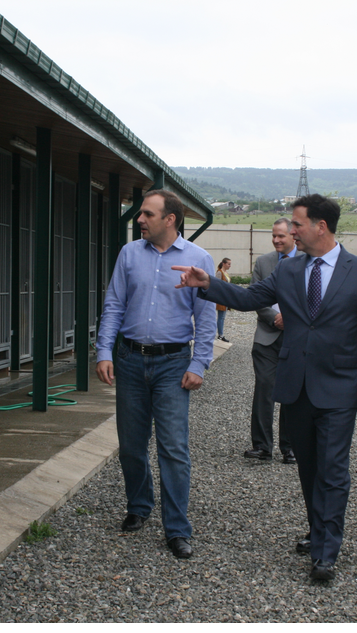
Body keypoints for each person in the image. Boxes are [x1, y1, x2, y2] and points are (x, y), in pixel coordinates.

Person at [173, 194, 357, 582]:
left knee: (333, 469)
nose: (292, 231)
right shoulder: (289, 270)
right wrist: (208, 284)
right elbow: (249, 298)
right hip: (296, 386)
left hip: (340, 387)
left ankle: (325, 553)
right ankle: (318, 529)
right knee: (309, 467)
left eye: (297, 224)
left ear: (320, 227)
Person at [95, 189, 216, 560]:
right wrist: (104, 351)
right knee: (131, 446)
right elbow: (114, 305)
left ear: (170, 219)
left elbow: (206, 317)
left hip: (173, 365)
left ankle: (177, 528)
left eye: (147, 214)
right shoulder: (129, 254)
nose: (140, 219)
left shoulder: (199, 259)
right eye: (140, 214)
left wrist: (199, 363)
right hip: (130, 360)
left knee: (173, 448)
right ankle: (139, 504)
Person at [244, 218, 297, 464]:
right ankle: (262, 446)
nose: (276, 240)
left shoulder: (308, 261)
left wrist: (291, 318)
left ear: (293, 235)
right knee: (264, 388)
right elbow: (254, 295)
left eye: (281, 236)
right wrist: (275, 317)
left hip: (296, 339)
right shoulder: (263, 262)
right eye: (273, 236)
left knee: (292, 392)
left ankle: (291, 447)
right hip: (266, 338)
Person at [215, 258, 232, 342]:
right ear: (224, 264)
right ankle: (220, 335)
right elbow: (217, 285)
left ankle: (220, 334)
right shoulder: (219, 272)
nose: (230, 266)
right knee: (221, 317)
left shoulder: (226, 273)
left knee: (222, 317)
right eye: (228, 264)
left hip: (226, 297)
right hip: (221, 297)